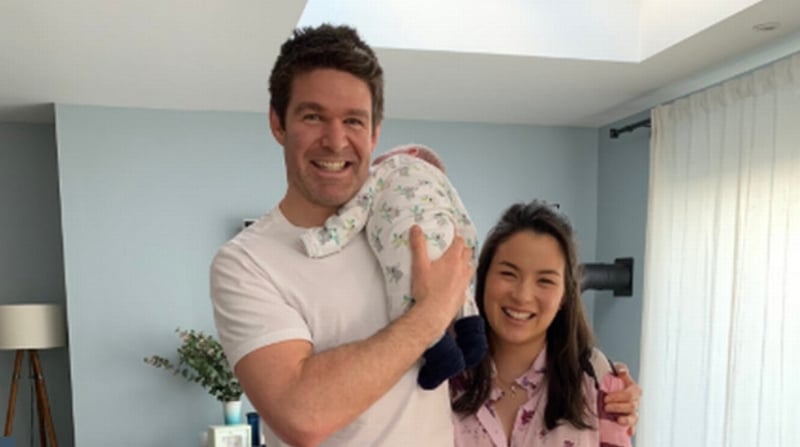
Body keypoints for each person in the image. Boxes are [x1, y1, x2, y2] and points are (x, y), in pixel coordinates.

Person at [210, 23, 640, 447]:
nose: (336, 140)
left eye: (354, 121)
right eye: (313, 116)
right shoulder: (248, 263)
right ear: (278, 123)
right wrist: (427, 318)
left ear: (375, 132)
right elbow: (302, 415)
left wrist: (604, 387)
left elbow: (502, 336)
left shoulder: (414, 221)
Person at [300, 143, 487, 390]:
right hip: (448, 242)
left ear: (410, 153)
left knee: (404, 303)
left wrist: (324, 239)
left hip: (408, 244)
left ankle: (442, 355)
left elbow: (355, 213)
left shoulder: (383, 170)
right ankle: (473, 336)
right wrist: (469, 257)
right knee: (459, 293)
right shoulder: (441, 183)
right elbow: (463, 219)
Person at [451, 201, 635, 446]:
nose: (522, 295)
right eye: (508, 273)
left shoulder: (596, 377)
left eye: (545, 281)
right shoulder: (443, 369)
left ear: (564, 296)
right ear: (483, 279)